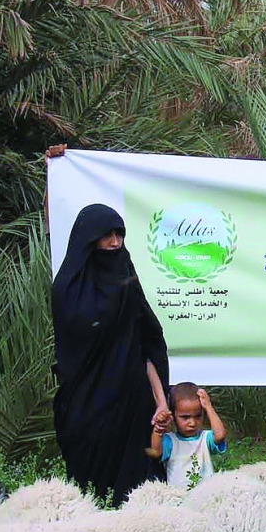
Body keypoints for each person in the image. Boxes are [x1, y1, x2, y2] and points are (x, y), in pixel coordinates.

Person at [51, 203, 171, 505]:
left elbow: (148, 343)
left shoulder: (127, 282)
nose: (115, 242)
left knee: (138, 500)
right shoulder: (68, 288)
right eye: (107, 235)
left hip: (132, 411)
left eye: (120, 235)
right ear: (89, 239)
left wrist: (160, 402)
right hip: (87, 412)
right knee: (90, 499)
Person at [149, 383, 228, 488]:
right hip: (178, 497)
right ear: (172, 415)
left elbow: (220, 435)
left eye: (198, 416)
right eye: (185, 417)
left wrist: (208, 407)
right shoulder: (171, 441)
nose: (192, 423)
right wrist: (158, 427)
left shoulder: (205, 438)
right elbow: (155, 451)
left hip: (206, 497)